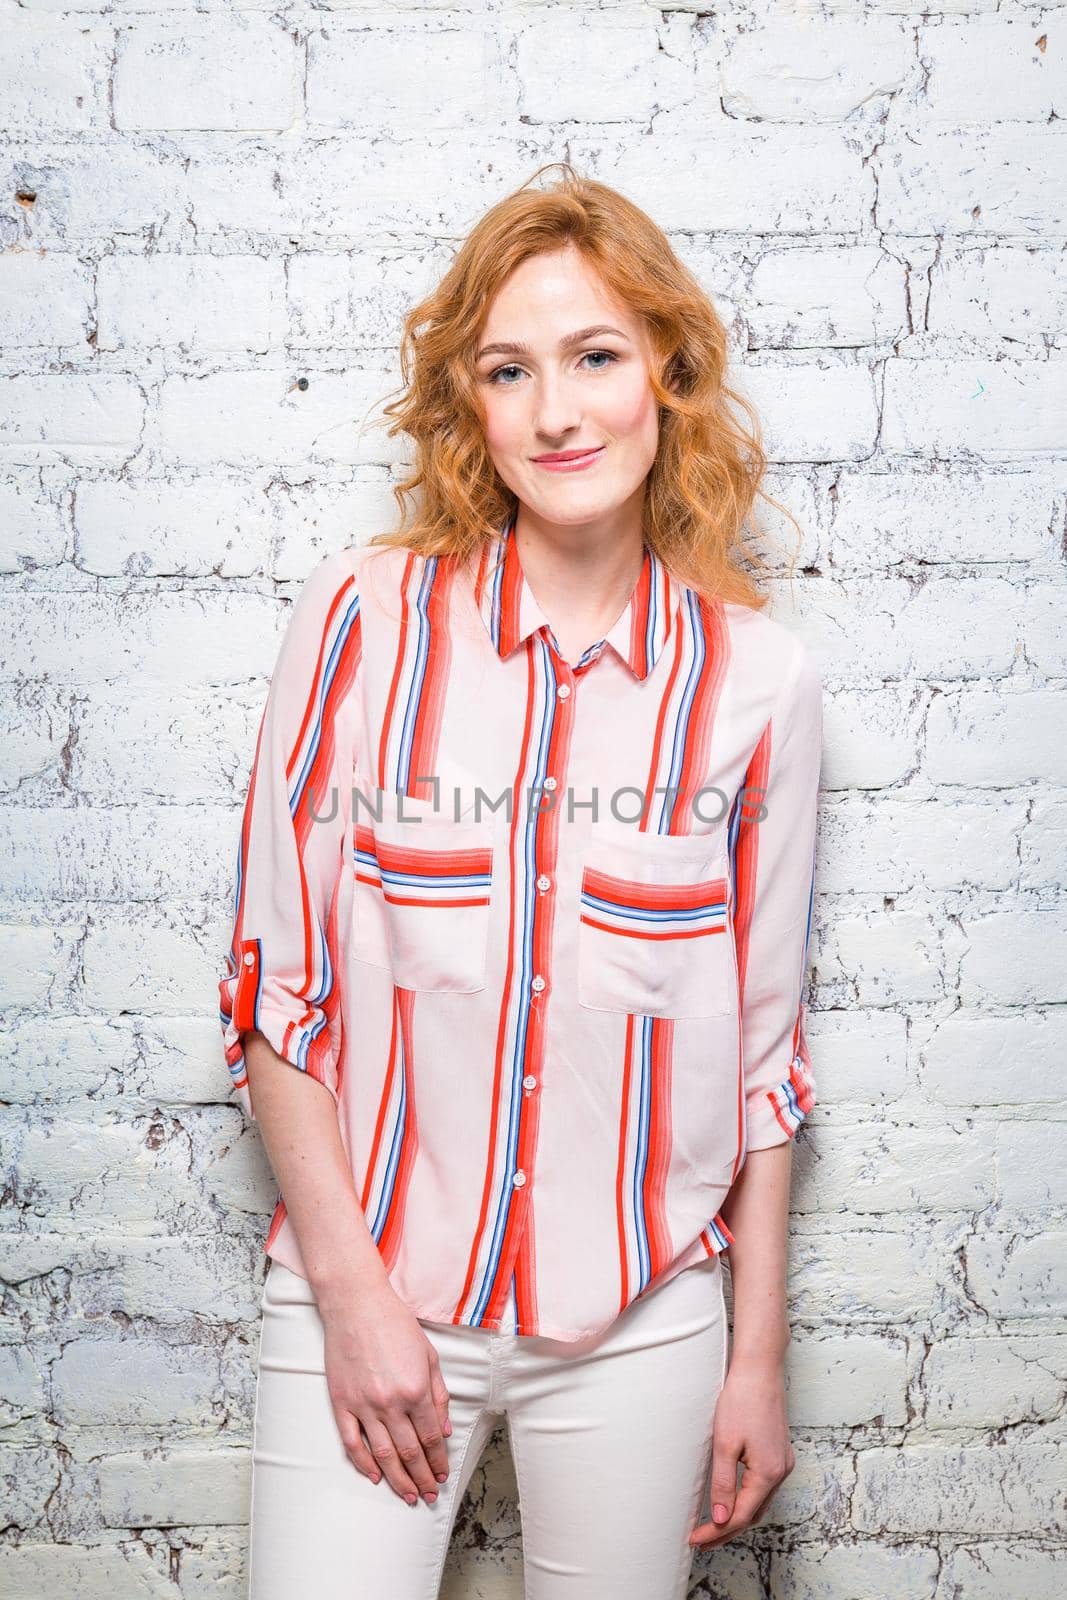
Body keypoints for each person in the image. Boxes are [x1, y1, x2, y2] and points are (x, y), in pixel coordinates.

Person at [219, 162, 823, 1600]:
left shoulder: (759, 686)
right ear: (472, 406)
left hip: (640, 1321)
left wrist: (754, 1364)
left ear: (665, 375)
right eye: (510, 369)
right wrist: (355, 1303)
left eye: (597, 356)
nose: (557, 411)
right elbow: (276, 988)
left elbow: (764, 1059)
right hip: (366, 1292)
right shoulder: (359, 622)